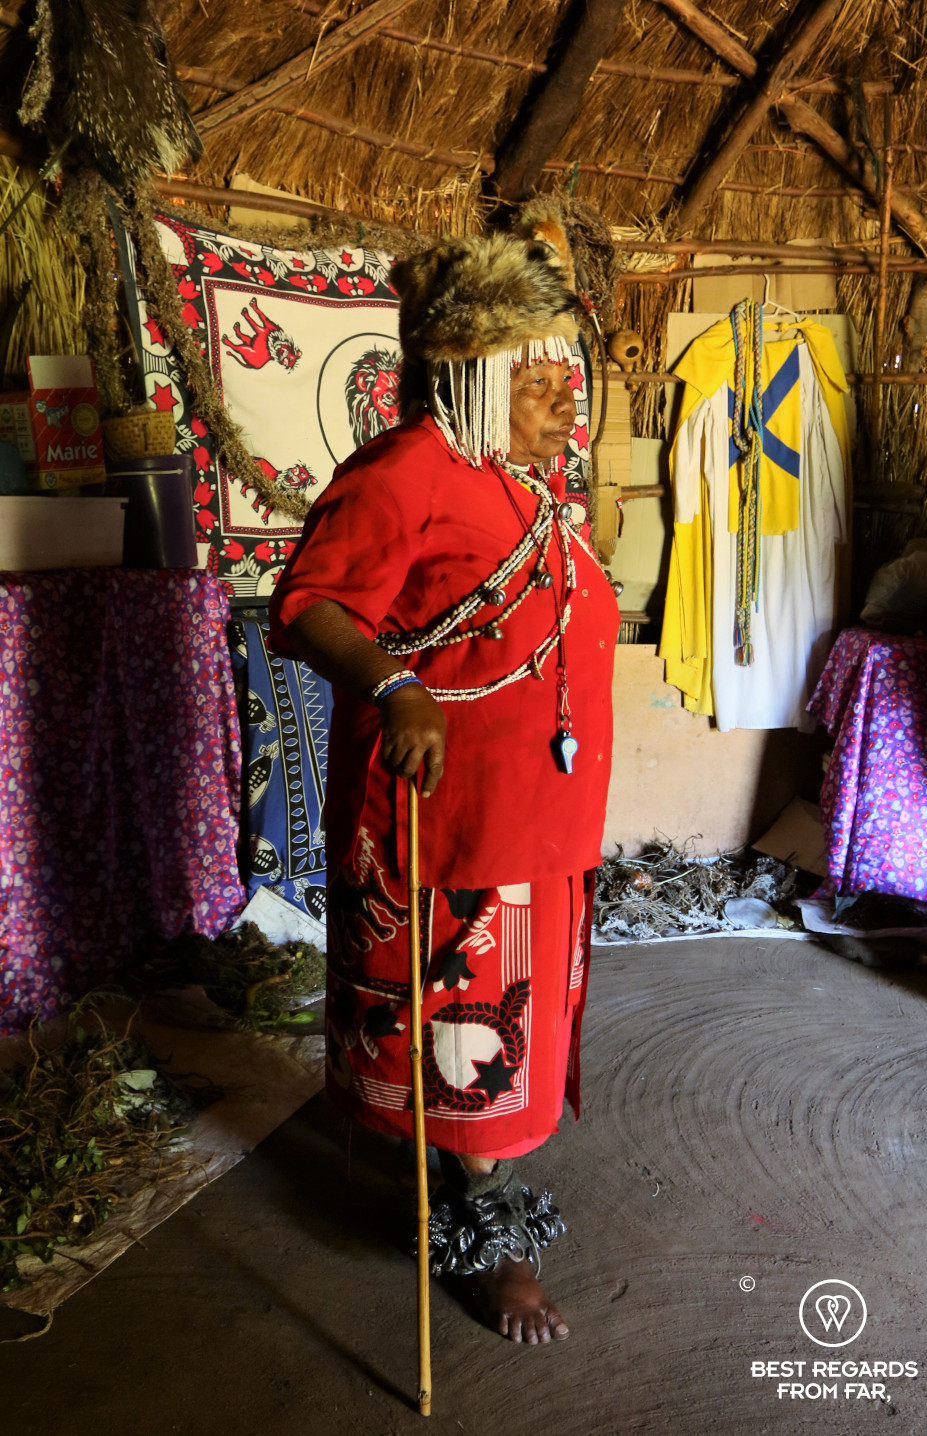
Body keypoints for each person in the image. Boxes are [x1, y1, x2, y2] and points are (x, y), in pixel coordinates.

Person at [268, 229, 619, 1343]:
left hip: (535, 814)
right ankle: (484, 1226)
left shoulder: (513, 482)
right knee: (468, 1033)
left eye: (566, 370)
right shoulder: (405, 472)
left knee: (509, 1029)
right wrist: (395, 685)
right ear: (470, 373)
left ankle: (461, 1178)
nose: (565, 394)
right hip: (453, 820)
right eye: (537, 373)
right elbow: (311, 603)